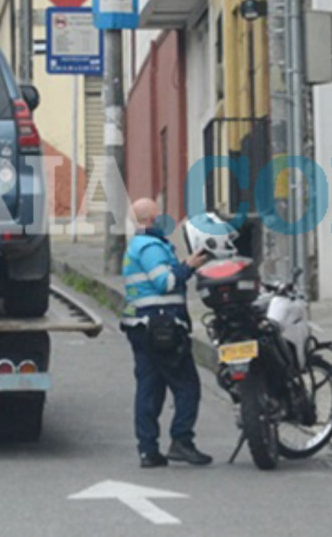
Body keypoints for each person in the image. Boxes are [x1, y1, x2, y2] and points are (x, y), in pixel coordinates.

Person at [122, 198, 212, 468]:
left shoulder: (138, 245)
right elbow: (166, 282)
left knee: (150, 389)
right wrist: (189, 265)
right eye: (159, 214)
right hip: (161, 328)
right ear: (149, 219)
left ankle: (148, 450)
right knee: (187, 386)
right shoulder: (150, 246)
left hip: (143, 326)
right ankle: (181, 441)